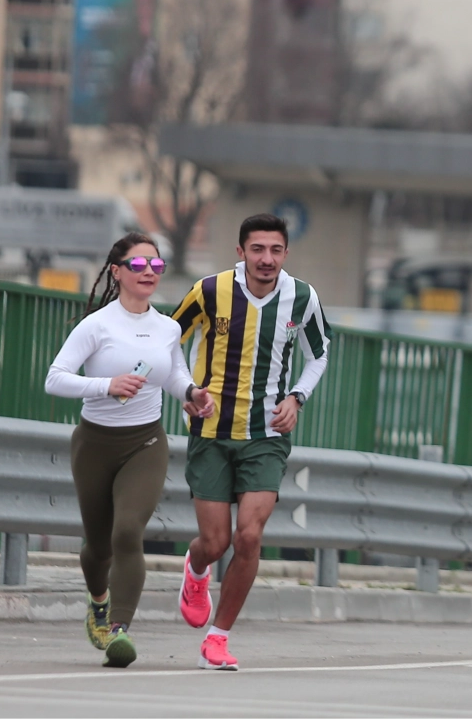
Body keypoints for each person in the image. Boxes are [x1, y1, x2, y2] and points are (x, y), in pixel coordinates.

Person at [44, 232, 214, 668]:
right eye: (138, 266)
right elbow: (55, 378)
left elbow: (175, 376)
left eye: (156, 267)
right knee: (97, 548)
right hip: (95, 443)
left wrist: (192, 393)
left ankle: (119, 629)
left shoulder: (167, 327)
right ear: (117, 272)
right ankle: (98, 602)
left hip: (146, 442)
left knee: (127, 533)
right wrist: (106, 385)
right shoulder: (97, 325)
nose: (148, 274)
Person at [171, 213, 331, 671]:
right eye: (257, 249)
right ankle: (196, 568)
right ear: (240, 252)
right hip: (212, 433)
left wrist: (297, 397)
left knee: (249, 535)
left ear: (285, 253)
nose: (267, 259)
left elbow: (319, 354)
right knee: (215, 541)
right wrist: (186, 389)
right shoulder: (209, 290)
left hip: (267, 435)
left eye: (275, 250)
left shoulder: (303, 297)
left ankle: (217, 638)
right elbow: (167, 341)